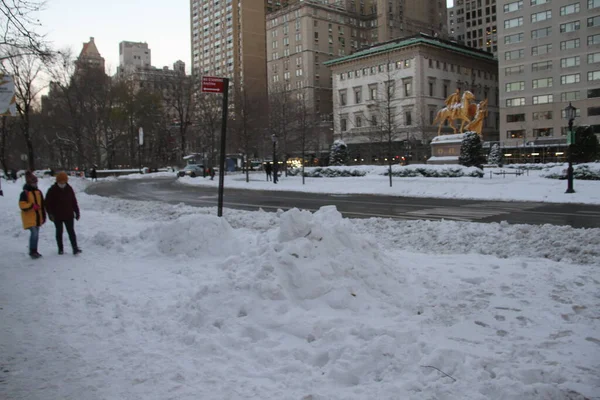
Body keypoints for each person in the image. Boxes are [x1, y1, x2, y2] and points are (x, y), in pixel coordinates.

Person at [45, 171, 81, 255]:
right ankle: (60, 249)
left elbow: (74, 201)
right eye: (61, 181)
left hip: (68, 214)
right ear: (57, 181)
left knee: (71, 232)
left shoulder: (69, 189)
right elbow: (47, 203)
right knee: (59, 232)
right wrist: (50, 214)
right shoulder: (52, 190)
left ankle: (75, 248)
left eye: (64, 181)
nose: (62, 183)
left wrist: (77, 212)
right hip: (57, 215)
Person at [19, 171, 46, 259]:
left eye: (36, 182)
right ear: (29, 183)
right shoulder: (25, 193)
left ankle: (34, 250)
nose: (35, 184)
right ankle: (32, 251)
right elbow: (22, 205)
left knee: (36, 234)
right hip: (29, 217)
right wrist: (31, 206)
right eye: (33, 182)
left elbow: (42, 205)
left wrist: (44, 216)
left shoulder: (39, 192)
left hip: (37, 217)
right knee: (34, 233)